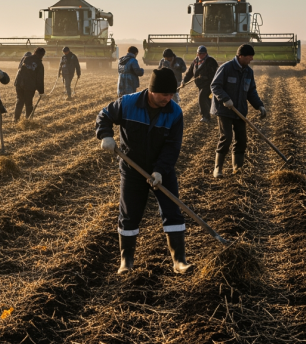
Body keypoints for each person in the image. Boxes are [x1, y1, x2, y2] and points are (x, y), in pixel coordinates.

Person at [96, 68, 191, 275]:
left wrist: (159, 171)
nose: (168, 98)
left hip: (161, 170)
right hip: (132, 169)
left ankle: (179, 261)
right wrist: (105, 135)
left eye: (171, 94)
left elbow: (173, 146)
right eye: (164, 94)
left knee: (172, 211)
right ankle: (126, 262)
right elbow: (104, 115)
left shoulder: (175, 112)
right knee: (129, 214)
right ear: (151, 90)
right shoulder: (128, 103)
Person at [210, 44, 266, 178]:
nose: (251, 59)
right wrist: (225, 99)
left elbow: (251, 91)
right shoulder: (226, 68)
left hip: (240, 110)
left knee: (241, 139)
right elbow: (215, 86)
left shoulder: (248, 72)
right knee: (227, 137)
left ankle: (237, 168)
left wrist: (259, 106)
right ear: (240, 56)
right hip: (224, 110)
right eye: (249, 57)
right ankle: (218, 168)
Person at [181, 45, 219, 123]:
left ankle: (206, 117)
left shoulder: (210, 61)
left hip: (209, 84)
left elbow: (214, 73)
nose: (201, 55)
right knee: (207, 99)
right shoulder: (195, 61)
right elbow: (190, 72)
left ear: (206, 53)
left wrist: (205, 77)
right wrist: (184, 81)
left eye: (203, 53)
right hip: (200, 84)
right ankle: (214, 109)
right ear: (197, 54)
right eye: (199, 53)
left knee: (202, 97)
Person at [14, 47, 45, 121]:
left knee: (20, 101)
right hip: (29, 86)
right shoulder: (40, 65)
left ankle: (16, 119)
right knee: (28, 104)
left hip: (19, 83)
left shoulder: (25, 59)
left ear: (34, 52)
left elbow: (19, 69)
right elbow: (39, 79)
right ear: (42, 55)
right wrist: (41, 91)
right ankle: (28, 120)